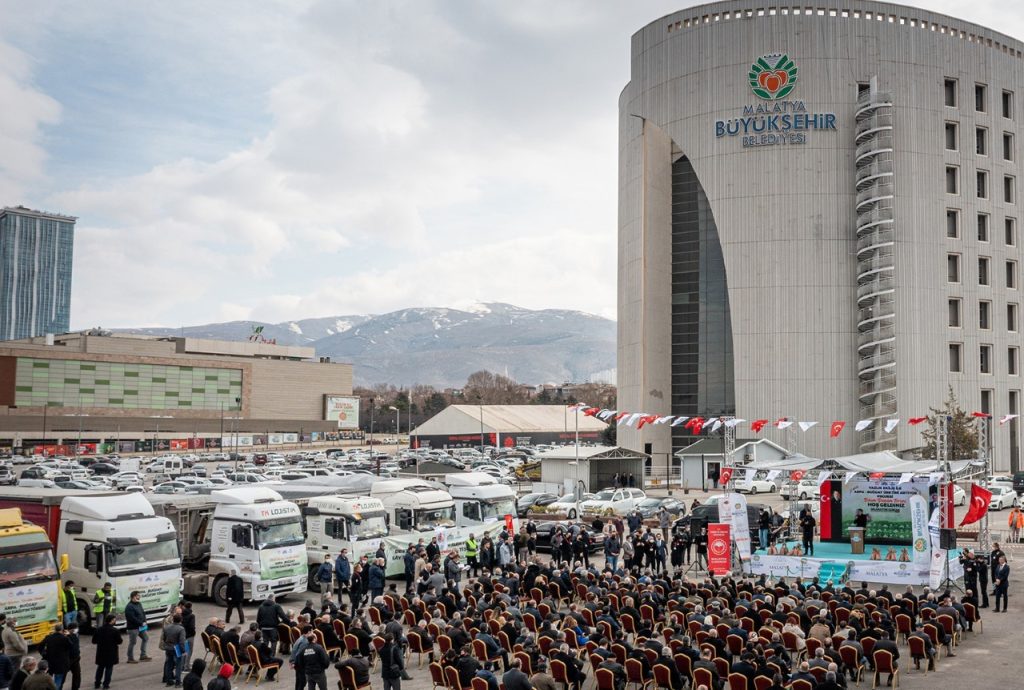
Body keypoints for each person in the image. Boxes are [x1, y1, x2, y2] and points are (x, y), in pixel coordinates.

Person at [92, 614, 122, 690]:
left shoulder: (99, 629)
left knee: (100, 668)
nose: (115, 621)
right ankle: (106, 685)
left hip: (101, 652)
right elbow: (119, 641)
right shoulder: (115, 631)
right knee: (109, 669)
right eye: (114, 620)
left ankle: (97, 683)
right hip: (111, 653)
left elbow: (94, 641)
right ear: (111, 621)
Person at [39, 626, 71, 690]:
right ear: (62, 630)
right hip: (61, 663)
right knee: (58, 680)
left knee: (48, 679)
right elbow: (71, 647)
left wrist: (44, 655)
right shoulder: (64, 638)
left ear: (54, 630)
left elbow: (40, 647)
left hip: (50, 662)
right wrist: (69, 636)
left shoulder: (49, 637)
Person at [124, 591, 151, 664]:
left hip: (141, 626)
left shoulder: (139, 604)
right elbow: (131, 618)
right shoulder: (129, 606)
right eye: (138, 596)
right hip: (133, 628)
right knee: (133, 642)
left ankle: (143, 655)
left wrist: (145, 621)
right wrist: (141, 623)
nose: (139, 597)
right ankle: (130, 658)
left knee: (146, 638)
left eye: (139, 596)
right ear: (133, 597)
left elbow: (142, 613)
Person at [160, 613, 187, 687]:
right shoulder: (181, 629)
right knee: (178, 665)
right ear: (181, 620)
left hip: (168, 648)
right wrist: (184, 651)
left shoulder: (167, 627)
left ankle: (169, 681)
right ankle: (178, 682)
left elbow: (164, 638)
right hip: (176, 649)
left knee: (169, 665)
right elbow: (182, 642)